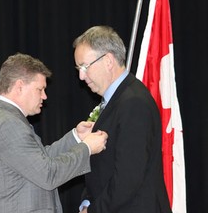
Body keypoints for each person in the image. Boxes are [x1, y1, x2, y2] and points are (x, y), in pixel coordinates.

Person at [0, 52, 108, 213]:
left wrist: (77, 137)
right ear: (19, 87)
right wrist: (87, 148)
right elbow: (48, 174)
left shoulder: (0, 117)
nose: (44, 96)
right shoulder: (8, 124)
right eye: (40, 89)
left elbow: (40, 160)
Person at [73, 26, 172, 213]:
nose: (81, 76)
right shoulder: (117, 100)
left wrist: (93, 210)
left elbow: (128, 178)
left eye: (85, 67)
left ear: (108, 61)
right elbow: (102, 169)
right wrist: (87, 201)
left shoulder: (134, 102)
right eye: (78, 68)